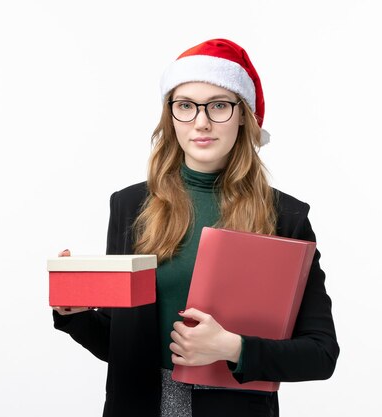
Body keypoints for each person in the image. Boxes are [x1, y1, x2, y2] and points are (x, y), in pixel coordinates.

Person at [52, 38, 339, 417]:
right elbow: (122, 345)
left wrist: (232, 347)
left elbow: (320, 354)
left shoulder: (285, 217)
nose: (201, 121)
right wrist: (74, 315)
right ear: (170, 116)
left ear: (243, 115)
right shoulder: (130, 205)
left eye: (218, 105)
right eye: (185, 106)